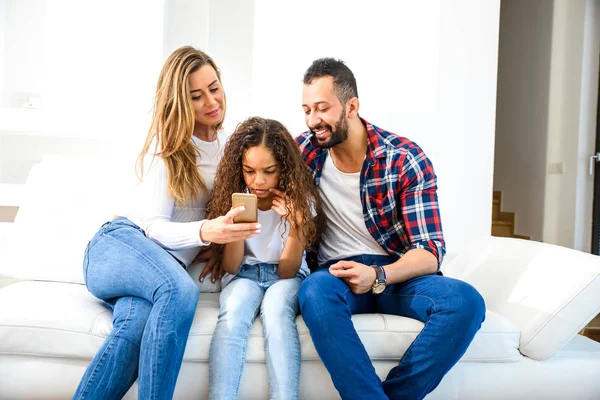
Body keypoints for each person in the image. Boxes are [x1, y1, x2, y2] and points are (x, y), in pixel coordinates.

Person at [73, 46, 260, 400]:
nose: (211, 101)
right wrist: (206, 231)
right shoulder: (169, 147)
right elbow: (153, 228)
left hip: (160, 271)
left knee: (134, 328)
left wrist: (218, 244)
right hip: (118, 246)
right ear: (178, 101)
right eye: (196, 95)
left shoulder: (229, 148)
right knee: (179, 290)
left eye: (214, 87)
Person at [296, 58, 486, 400]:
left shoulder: (403, 158)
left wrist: (378, 275)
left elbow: (429, 251)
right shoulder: (303, 154)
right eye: (307, 110)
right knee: (314, 292)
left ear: (352, 106)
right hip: (335, 274)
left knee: (465, 302)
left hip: (396, 274)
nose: (313, 121)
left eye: (322, 109)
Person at [207, 116, 322, 400]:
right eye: (249, 171)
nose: (258, 181)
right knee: (232, 314)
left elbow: (287, 272)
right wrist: (235, 229)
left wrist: (295, 227)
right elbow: (232, 266)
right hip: (243, 274)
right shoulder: (236, 199)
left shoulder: (301, 201)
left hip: (287, 276)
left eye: (268, 171)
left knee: (275, 312)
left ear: (283, 169)